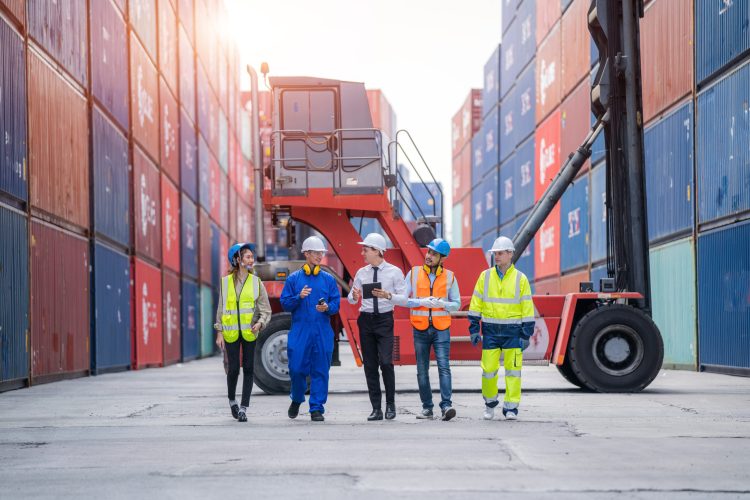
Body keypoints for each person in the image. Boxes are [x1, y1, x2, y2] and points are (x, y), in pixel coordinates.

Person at [391, 238, 460, 421]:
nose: (429, 256)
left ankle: (446, 406)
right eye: (428, 251)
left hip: (441, 329)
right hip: (420, 328)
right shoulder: (413, 274)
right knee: (422, 370)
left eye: (434, 254)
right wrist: (421, 302)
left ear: (442, 258)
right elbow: (403, 300)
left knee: (444, 368)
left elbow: (457, 304)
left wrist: (443, 304)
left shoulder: (450, 276)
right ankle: (427, 408)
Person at [468, 236, 535, 420]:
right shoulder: (485, 276)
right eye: (495, 253)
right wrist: (474, 329)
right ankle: (490, 404)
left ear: (510, 254)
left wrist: (526, 334)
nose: (496, 256)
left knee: (513, 372)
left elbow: (527, 308)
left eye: (499, 253)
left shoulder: (520, 279)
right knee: (488, 371)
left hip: (513, 333)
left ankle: (511, 408)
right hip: (490, 332)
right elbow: (476, 304)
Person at [280, 236, 341, 422]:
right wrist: (298, 296)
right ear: (306, 254)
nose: (319, 256)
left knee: (321, 370)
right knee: (296, 368)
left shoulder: (329, 280)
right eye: (315, 253)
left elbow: (336, 303)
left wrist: (327, 308)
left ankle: (316, 408)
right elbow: (285, 304)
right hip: (301, 331)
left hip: (322, 331)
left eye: (321, 253)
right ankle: (297, 398)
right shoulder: (293, 279)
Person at [348, 232, 407, 421]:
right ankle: (376, 408)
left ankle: (390, 404)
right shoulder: (361, 273)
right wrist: (354, 296)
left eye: (365, 249)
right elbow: (351, 297)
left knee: (387, 363)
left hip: (384, 320)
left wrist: (388, 296)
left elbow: (404, 298)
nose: (362, 253)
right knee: (370, 366)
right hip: (365, 321)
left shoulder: (394, 272)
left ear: (377, 251)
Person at [214, 243, 272, 423]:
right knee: (233, 369)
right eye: (247, 256)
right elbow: (221, 309)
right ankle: (232, 401)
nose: (251, 260)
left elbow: (266, 310)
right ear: (237, 260)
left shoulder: (257, 282)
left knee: (248, 369)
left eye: (252, 257)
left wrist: (260, 324)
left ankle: (244, 408)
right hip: (231, 332)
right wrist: (219, 332)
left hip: (249, 332)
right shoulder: (225, 282)